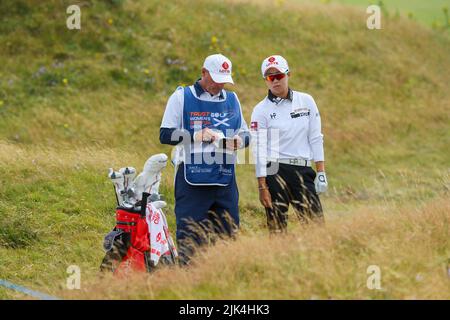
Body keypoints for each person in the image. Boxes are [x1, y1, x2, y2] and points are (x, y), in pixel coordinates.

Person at [159, 54, 250, 264]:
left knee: (229, 239)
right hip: (192, 181)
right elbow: (165, 134)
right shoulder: (182, 96)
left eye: (223, 80)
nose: (219, 85)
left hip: (225, 180)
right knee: (191, 242)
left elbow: (246, 134)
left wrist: (239, 141)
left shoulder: (232, 99)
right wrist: (194, 136)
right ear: (203, 72)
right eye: (215, 79)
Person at [250, 55, 327, 233]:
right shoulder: (260, 110)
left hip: (303, 169)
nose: (275, 81)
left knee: (316, 227)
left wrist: (321, 171)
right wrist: (262, 186)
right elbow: (258, 149)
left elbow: (315, 136)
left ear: (288, 74)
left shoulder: (306, 101)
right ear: (265, 81)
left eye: (279, 75)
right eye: (270, 77)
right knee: (277, 229)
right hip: (275, 172)